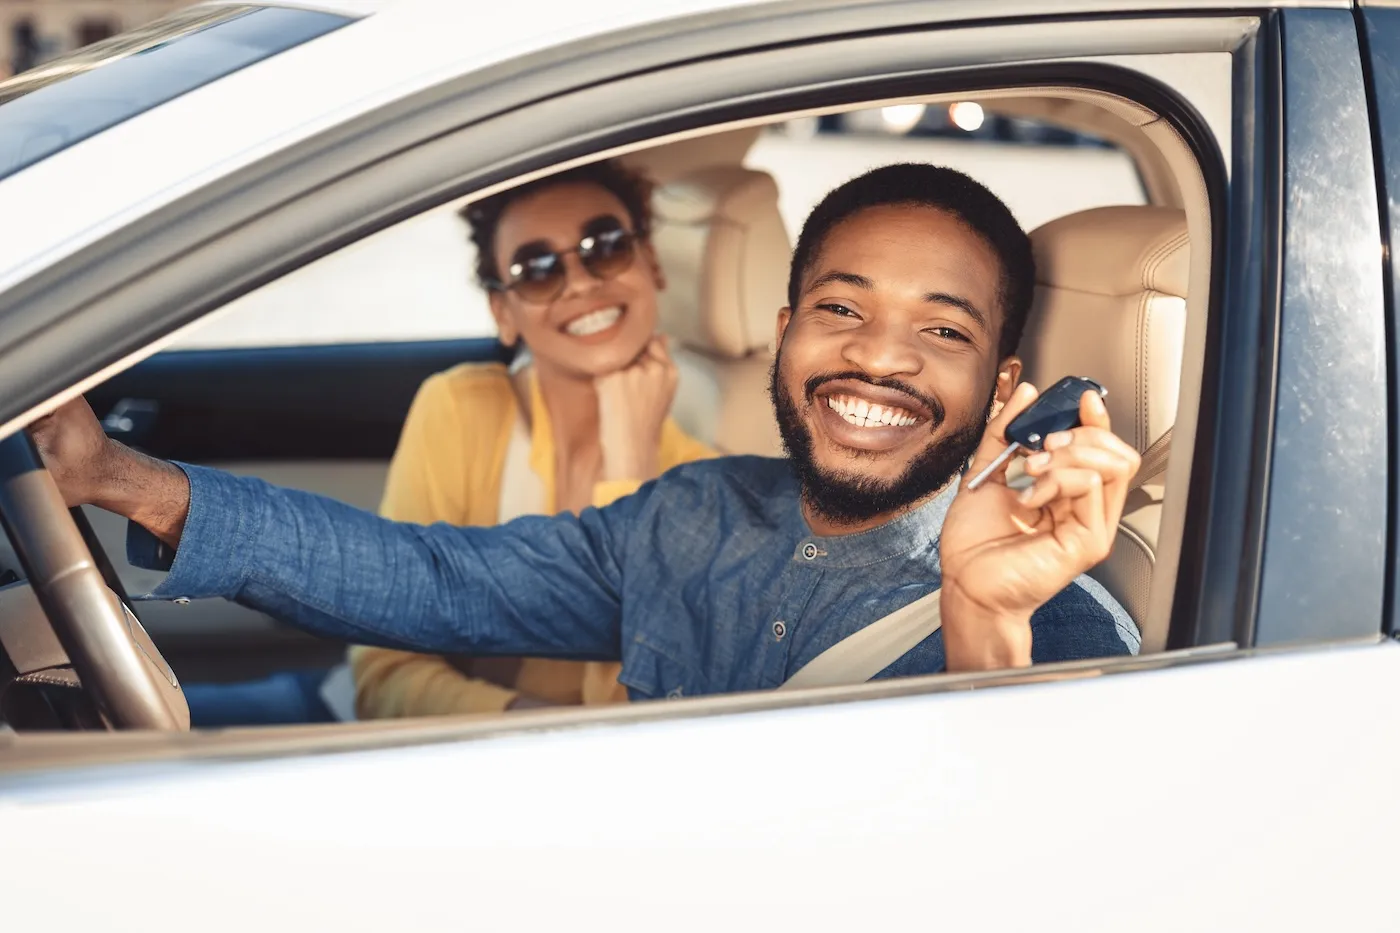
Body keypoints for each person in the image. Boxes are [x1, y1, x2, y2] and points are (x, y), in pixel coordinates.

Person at [32, 163, 1143, 698]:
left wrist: (982, 622)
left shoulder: (1055, 620)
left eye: (938, 332)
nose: (876, 357)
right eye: (840, 310)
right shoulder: (690, 512)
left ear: (1002, 389)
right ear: (783, 334)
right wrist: (121, 476)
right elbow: (430, 577)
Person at [352, 160, 713, 717]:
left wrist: (631, 470)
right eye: (539, 268)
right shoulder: (459, 408)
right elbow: (383, 674)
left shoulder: (705, 486)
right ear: (504, 313)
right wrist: (524, 726)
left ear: (653, 265)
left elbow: (643, 715)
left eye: (607, 245)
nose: (581, 282)